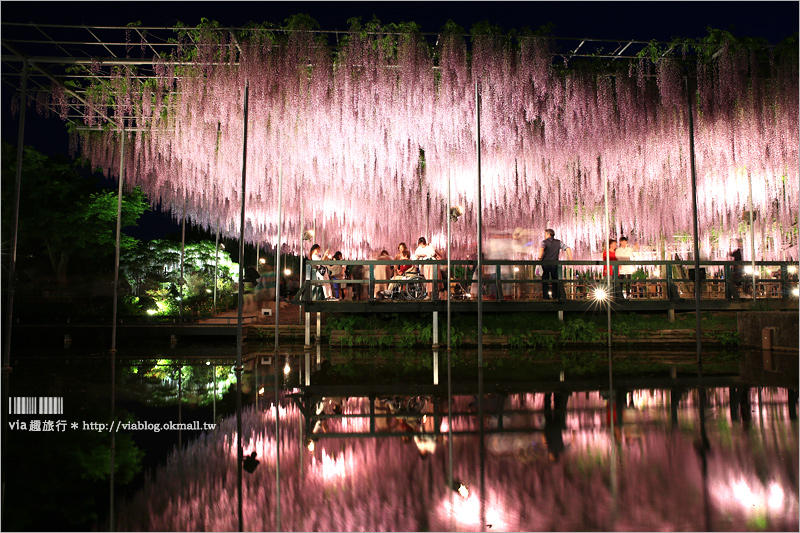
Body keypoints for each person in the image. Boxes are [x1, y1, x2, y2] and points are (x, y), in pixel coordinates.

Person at [537, 229, 573, 301]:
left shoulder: (544, 242)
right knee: (555, 280)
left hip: (545, 263)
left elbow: (541, 249)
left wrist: (539, 259)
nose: (544, 235)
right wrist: (570, 259)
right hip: (554, 263)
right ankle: (555, 296)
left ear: (548, 234)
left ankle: (545, 297)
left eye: (545, 234)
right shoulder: (558, 242)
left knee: (545, 280)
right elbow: (567, 248)